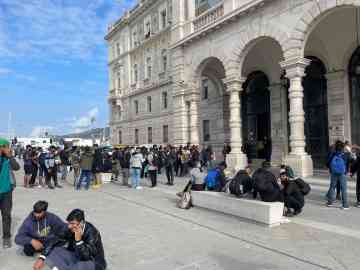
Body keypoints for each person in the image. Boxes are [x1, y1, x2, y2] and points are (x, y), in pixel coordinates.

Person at [33, 209, 107, 270]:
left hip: (93, 263)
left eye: (72, 223)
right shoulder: (71, 228)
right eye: (69, 223)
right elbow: (55, 240)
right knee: (54, 250)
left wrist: (79, 241)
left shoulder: (92, 232)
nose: (69, 226)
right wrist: (41, 258)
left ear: (81, 223)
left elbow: (86, 257)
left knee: (79, 266)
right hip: (76, 257)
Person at [0, 138, 20, 248]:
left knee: (6, 215)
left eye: (6, 147)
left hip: (6, 191)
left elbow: (17, 167)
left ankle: (6, 237)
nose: (6, 149)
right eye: (3, 147)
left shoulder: (8, 159)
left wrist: (10, 156)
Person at [326, 141, 350, 209]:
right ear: (343, 147)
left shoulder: (333, 154)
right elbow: (350, 162)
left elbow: (327, 162)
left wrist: (331, 169)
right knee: (344, 189)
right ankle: (345, 205)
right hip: (343, 173)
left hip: (334, 173)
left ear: (335, 147)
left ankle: (330, 202)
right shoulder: (346, 154)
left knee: (332, 187)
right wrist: (347, 171)